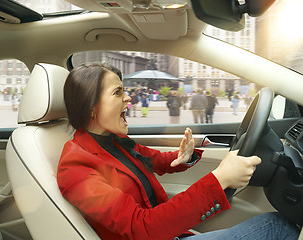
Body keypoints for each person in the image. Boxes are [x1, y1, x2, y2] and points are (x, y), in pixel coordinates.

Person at [57, 63, 299, 240]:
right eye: (118, 92)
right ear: (91, 107)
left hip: (168, 234)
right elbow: (142, 228)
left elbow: (154, 160)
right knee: (278, 227)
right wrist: (219, 179)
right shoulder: (77, 168)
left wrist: (185, 156)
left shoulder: (115, 141)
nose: (129, 98)